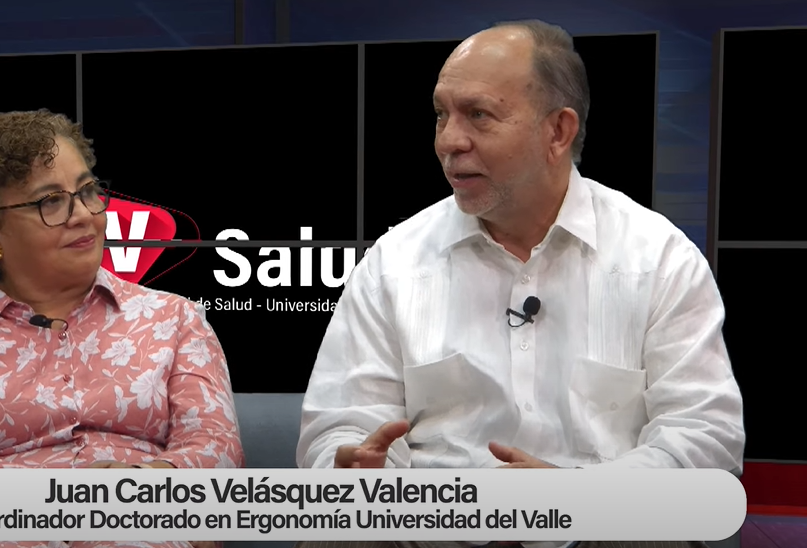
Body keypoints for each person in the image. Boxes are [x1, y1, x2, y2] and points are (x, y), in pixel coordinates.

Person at [295, 19, 744, 548]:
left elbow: (704, 439)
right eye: (441, 114)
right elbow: (342, 426)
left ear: (558, 131)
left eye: (478, 115)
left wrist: (577, 501)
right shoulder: (393, 263)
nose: (448, 141)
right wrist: (352, 471)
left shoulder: (659, 258)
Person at [0, 109, 244, 548]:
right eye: (50, 201)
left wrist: (142, 486)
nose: (83, 215)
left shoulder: (175, 319)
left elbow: (216, 449)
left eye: (87, 191)